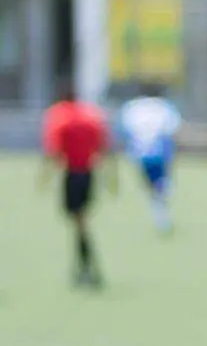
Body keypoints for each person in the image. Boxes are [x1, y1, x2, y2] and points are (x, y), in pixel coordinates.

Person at [38, 80, 116, 289]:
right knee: (79, 219)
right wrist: (111, 176)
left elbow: (53, 149)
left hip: (73, 173)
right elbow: (103, 146)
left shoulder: (59, 116)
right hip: (87, 172)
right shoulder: (89, 115)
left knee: (78, 221)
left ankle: (87, 266)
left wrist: (44, 175)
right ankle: (84, 266)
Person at [117, 82, 183, 234]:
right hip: (161, 152)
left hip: (141, 153)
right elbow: (173, 129)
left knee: (150, 185)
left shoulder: (132, 107)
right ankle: (161, 201)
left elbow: (125, 130)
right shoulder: (165, 107)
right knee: (160, 183)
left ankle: (159, 207)